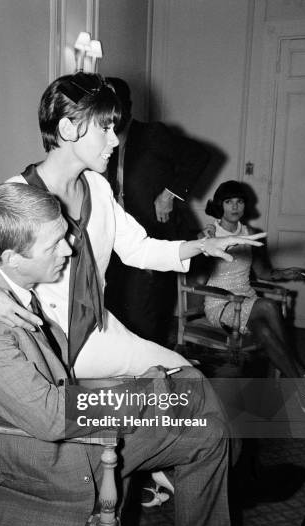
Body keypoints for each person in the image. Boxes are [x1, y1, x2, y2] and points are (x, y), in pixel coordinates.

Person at [0, 181, 255, 526]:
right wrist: (147, 388)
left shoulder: (12, 287)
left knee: (208, 429)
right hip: (41, 464)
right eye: (56, 244)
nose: (69, 251)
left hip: (58, 436)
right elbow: (52, 419)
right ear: (14, 258)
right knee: (201, 425)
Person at [105, 76, 210, 344]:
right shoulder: (102, 141)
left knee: (148, 314)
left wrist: (169, 194)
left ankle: (153, 374)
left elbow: (199, 155)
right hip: (115, 239)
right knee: (116, 310)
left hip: (152, 235)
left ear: (126, 105)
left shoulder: (153, 134)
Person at [201, 180, 305, 413]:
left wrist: (287, 272)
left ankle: (300, 388)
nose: (234, 207)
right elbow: (197, 272)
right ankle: (302, 375)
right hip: (221, 302)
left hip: (247, 298)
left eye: (240, 201)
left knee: (263, 330)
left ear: (245, 205)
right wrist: (206, 243)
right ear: (219, 205)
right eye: (228, 202)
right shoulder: (209, 233)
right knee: (268, 306)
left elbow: (264, 272)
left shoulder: (251, 234)